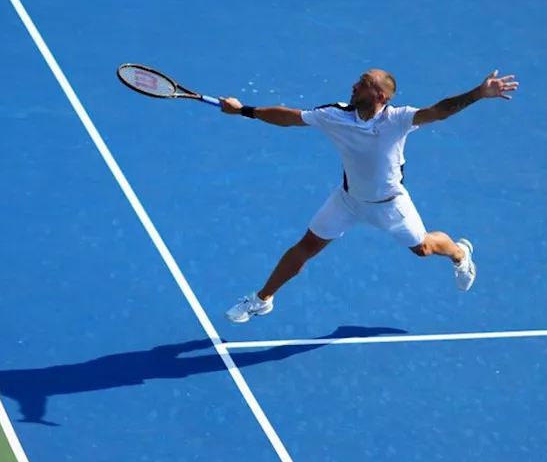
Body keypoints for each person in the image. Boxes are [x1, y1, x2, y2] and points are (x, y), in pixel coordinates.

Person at [219, 68, 518, 324]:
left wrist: (478, 94)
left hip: (391, 206)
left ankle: (460, 254)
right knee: (306, 247)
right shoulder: (334, 115)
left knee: (424, 248)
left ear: (380, 96)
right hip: (347, 201)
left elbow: (439, 111)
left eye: (362, 83)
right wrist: (245, 110)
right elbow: (289, 118)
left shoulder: (399, 119)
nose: (353, 86)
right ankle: (262, 299)